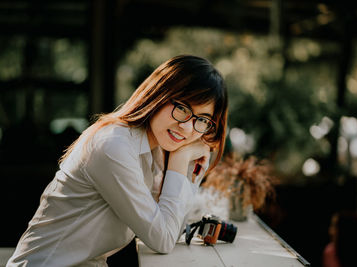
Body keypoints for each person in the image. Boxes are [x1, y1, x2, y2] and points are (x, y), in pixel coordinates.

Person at [7, 55, 228, 266]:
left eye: (202, 120)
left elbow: (172, 225)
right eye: (182, 108)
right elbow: (163, 239)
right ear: (158, 94)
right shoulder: (115, 146)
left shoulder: (154, 151)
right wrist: (181, 158)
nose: (188, 128)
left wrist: (190, 168)